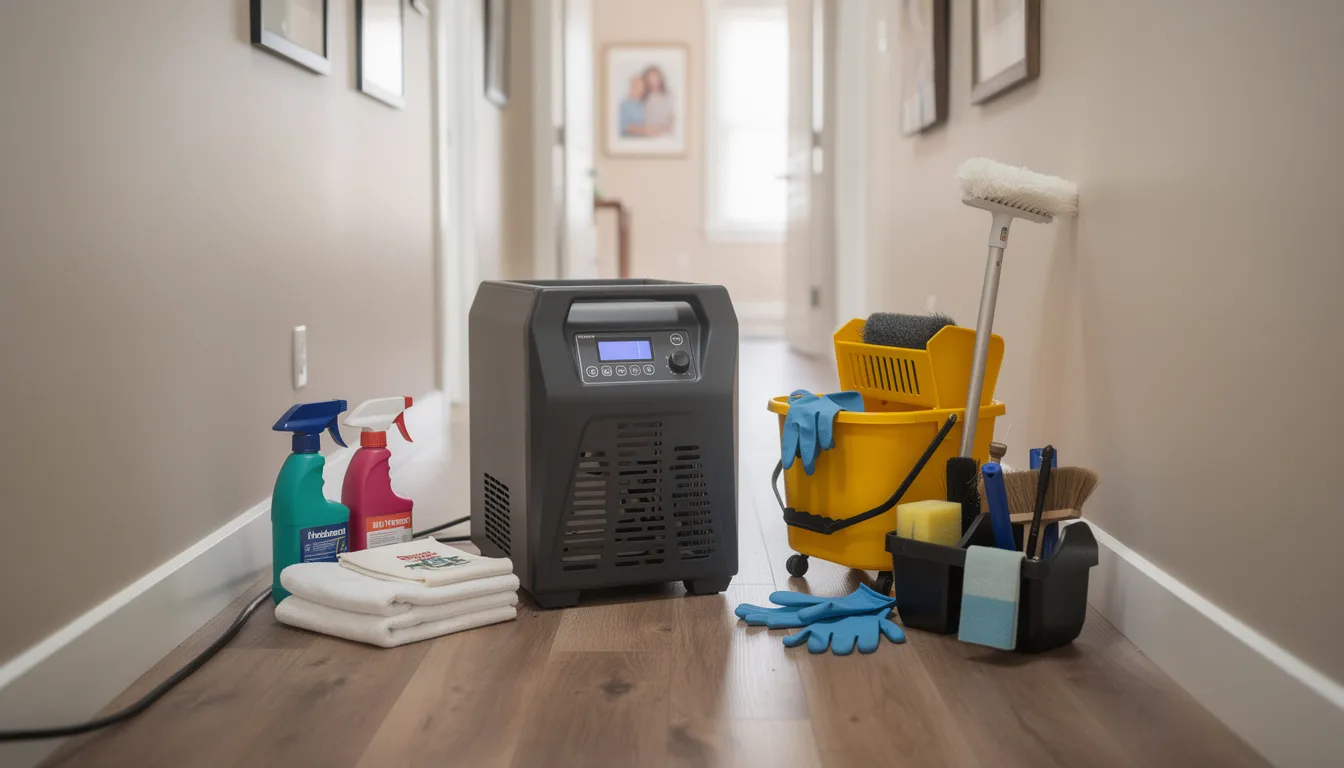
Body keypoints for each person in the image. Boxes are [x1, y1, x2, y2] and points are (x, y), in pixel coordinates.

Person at [641, 66, 674, 137]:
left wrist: (665, 128)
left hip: (665, 134)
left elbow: (671, 116)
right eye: (651, 77)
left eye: (656, 77)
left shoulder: (668, 96)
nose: (654, 80)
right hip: (648, 134)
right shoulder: (643, 96)